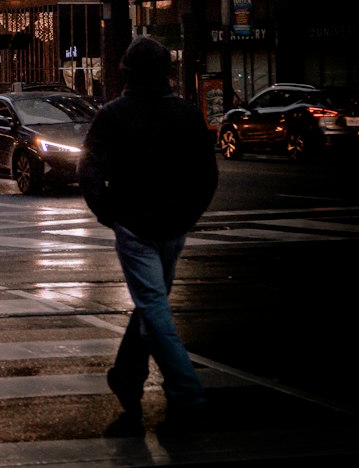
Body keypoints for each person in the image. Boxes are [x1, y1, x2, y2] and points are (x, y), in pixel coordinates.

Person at [78, 35, 218, 437]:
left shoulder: (113, 115)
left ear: (126, 72)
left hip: (136, 226)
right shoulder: (187, 115)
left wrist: (111, 213)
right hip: (174, 226)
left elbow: (88, 170)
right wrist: (188, 214)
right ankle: (129, 376)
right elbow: (206, 176)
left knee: (152, 308)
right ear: (167, 72)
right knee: (151, 306)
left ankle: (184, 390)